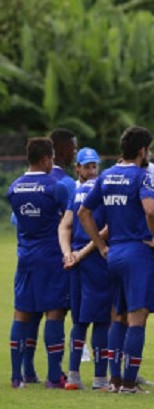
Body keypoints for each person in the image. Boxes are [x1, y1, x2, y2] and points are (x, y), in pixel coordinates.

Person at [79, 126, 154, 394]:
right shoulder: (143, 177)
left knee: (118, 318)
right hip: (138, 253)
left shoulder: (107, 175)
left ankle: (114, 382)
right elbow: (151, 210)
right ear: (142, 151)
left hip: (114, 254)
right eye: (148, 149)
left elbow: (84, 212)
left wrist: (101, 245)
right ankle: (129, 384)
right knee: (137, 320)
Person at [8, 138, 71, 389]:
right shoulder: (55, 187)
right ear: (46, 159)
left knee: (22, 312)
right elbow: (68, 220)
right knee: (54, 312)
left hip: (25, 256)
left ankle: (17, 376)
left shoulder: (13, 188)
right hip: (51, 257)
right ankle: (54, 376)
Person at [58, 147, 111, 390]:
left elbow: (66, 226)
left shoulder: (79, 191)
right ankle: (97, 379)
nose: (91, 170)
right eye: (86, 166)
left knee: (80, 319)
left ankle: (73, 376)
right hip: (92, 260)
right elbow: (103, 228)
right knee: (97, 320)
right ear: (76, 168)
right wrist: (70, 252)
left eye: (94, 166)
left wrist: (72, 253)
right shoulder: (97, 189)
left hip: (79, 259)